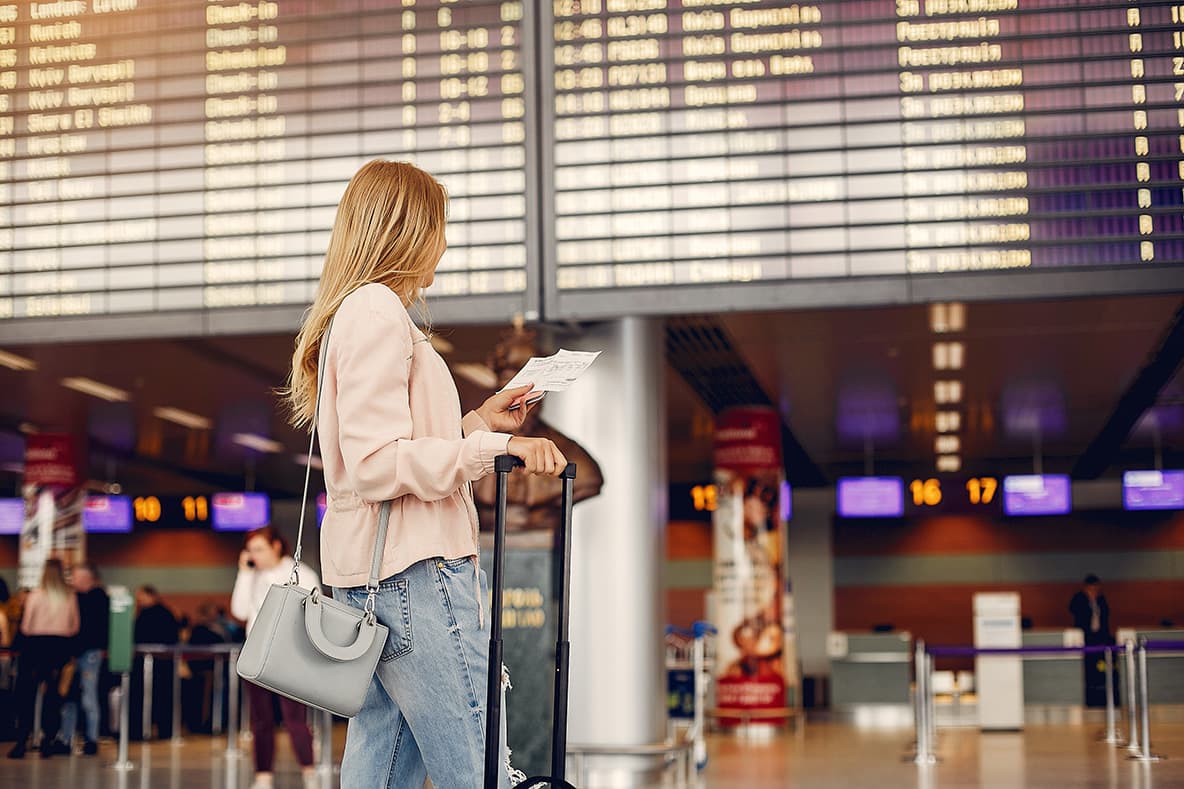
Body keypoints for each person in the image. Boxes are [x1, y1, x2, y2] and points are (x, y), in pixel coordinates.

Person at [283, 159, 568, 789]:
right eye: (439, 225)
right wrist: (493, 449)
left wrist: (478, 423)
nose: (444, 242)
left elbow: (392, 453)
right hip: (418, 577)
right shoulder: (377, 312)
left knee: (382, 771)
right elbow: (378, 464)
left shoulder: (356, 314)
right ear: (408, 229)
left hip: (374, 581)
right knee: (478, 770)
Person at [472, 324, 604, 533]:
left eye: (530, 391)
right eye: (510, 387)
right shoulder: (473, 444)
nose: (520, 400)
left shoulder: (572, 454)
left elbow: (589, 481)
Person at [231, 526, 319, 789]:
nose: (254, 556)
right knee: (261, 719)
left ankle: (309, 771)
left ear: (276, 546)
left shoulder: (301, 573)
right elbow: (240, 611)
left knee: (295, 718)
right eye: (250, 550)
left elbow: (314, 613)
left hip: (290, 654)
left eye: (259, 549)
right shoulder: (252, 575)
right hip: (257, 652)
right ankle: (263, 776)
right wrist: (244, 573)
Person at [7, 559, 79, 759]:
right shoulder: (69, 596)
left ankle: (22, 741)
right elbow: (74, 627)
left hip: (35, 646)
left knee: (26, 695)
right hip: (59, 646)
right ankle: (48, 741)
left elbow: (26, 627)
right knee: (53, 696)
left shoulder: (36, 595)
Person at [48, 562, 108, 756]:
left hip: (87, 653)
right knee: (70, 697)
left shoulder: (96, 598)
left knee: (86, 696)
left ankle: (90, 738)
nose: (72, 580)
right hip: (77, 654)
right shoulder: (77, 597)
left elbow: (89, 629)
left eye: (75, 576)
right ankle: (68, 738)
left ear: (86, 577)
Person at [131, 585, 180, 739]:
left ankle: (141, 731)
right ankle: (164, 731)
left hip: (153, 663)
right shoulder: (166, 613)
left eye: (141, 597)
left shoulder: (149, 615)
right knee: (163, 698)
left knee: (147, 697)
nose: (139, 600)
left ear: (150, 596)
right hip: (162, 664)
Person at [1069, 573, 1116, 707]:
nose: (1094, 591)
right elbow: (1074, 610)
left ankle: (1100, 692)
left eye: (1096, 588)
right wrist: (1088, 601)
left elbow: (1106, 618)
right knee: (1088, 665)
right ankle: (1089, 691)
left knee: (1100, 665)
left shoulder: (1101, 600)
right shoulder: (1079, 599)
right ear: (1086, 588)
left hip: (1100, 636)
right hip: (1086, 637)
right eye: (1092, 588)